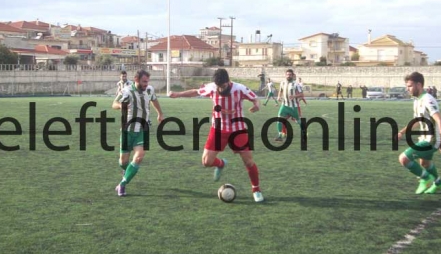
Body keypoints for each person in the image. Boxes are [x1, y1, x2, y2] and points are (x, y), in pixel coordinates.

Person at [169, 68, 264, 203]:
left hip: (237, 129)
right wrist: (177, 94)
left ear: (228, 82)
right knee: (206, 162)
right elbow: (196, 92)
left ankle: (256, 190)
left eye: (223, 86)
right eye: (219, 86)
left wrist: (257, 105)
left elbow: (255, 98)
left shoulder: (239, 89)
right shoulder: (212, 88)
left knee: (248, 161)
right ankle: (220, 164)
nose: (221, 89)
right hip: (218, 129)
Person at [112, 70, 164, 197]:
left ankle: (122, 184)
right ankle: (127, 172)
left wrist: (160, 113)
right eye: (144, 81)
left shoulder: (149, 90)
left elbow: (154, 100)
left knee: (139, 157)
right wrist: (122, 106)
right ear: (136, 79)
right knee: (123, 162)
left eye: (147, 81)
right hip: (127, 130)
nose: (146, 84)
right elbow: (114, 104)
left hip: (142, 129)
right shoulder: (127, 91)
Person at [397, 71, 441, 195]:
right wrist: (402, 132)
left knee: (404, 159)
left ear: (419, 85)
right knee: (425, 163)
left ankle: (425, 178)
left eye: (410, 86)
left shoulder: (428, 99)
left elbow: (440, 120)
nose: (408, 89)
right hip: (424, 139)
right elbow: (417, 121)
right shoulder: (417, 100)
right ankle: (438, 183)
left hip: (431, 141)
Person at [275, 69, 306, 142]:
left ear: (292, 75)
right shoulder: (282, 82)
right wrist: (279, 96)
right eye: (287, 74)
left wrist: (294, 96)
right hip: (284, 105)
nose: (288, 76)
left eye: (290, 75)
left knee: (298, 121)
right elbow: (280, 91)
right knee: (279, 119)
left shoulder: (296, 84)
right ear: (285, 75)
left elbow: (302, 94)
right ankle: (280, 136)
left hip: (293, 107)